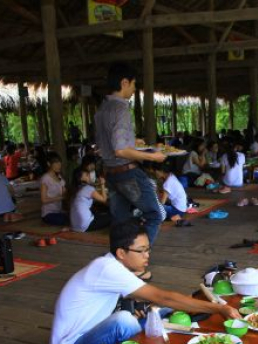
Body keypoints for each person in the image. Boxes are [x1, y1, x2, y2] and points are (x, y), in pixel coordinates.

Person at [49, 220, 240, 344]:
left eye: (148, 249)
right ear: (121, 253)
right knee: (125, 321)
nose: (147, 255)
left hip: (91, 336)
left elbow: (155, 301)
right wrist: (218, 308)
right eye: (141, 251)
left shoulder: (111, 265)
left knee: (162, 312)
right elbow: (163, 297)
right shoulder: (106, 268)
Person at [94, 63, 166, 243]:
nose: (134, 89)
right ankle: (137, 256)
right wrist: (153, 156)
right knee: (154, 214)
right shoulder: (120, 109)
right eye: (134, 84)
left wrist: (133, 142)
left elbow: (107, 145)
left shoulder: (102, 109)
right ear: (124, 82)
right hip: (127, 172)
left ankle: (119, 260)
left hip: (110, 172)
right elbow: (120, 150)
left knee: (120, 221)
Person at [68, 167, 111, 232]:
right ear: (81, 178)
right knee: (113, 215)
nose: (89, 176)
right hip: (85, 226)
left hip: (75, 226)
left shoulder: (75, 189)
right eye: (87, 175)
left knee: (99, 212)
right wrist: (102, 184)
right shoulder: (88, 188)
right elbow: (104, 200)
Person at [153, 163, 190, 227]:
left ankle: (172, 217)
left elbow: (162, 203)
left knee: (155, 207)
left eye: (156, 171)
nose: (155, 173)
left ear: (161, 171)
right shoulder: (171, 176)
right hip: (182, 209)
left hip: (177, 211)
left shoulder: (167, 183)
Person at [40, 152, 68, 226]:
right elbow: (43, 200)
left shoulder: (59, 176)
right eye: (56, 163)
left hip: (58, 211)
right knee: (66, 221)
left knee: (74, 217)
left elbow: (64, 192)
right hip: (48, 213)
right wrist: (59, 198)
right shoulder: (45, 178)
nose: (59, 165)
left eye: (59, 162)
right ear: (49, 164)